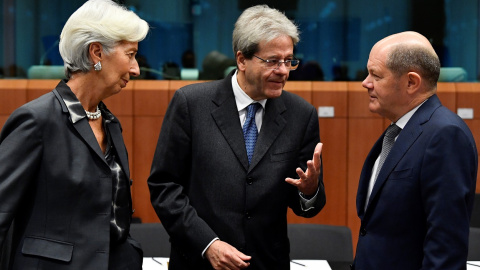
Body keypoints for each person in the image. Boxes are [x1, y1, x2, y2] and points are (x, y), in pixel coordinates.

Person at [148, 5, 326, 270]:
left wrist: (310, 191)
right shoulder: (191, 104)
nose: (284, 70)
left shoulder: (301, 115)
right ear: (242, 60)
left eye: (289, 60)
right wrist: (208, 243)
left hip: (266, 263)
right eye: (272, 61)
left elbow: (307, 207)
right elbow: (164, 187)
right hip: (199, 261)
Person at [0, 0, 149, 269]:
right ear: (96, 53)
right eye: (130, 55)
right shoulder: (36, 120)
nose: (136, 69)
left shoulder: (110, 124)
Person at [352, 31, 478, 270]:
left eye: (375, 75)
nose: (365, 83)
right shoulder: (400, 130)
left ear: (411, 82)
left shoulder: (445, 135)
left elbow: (446, 246)